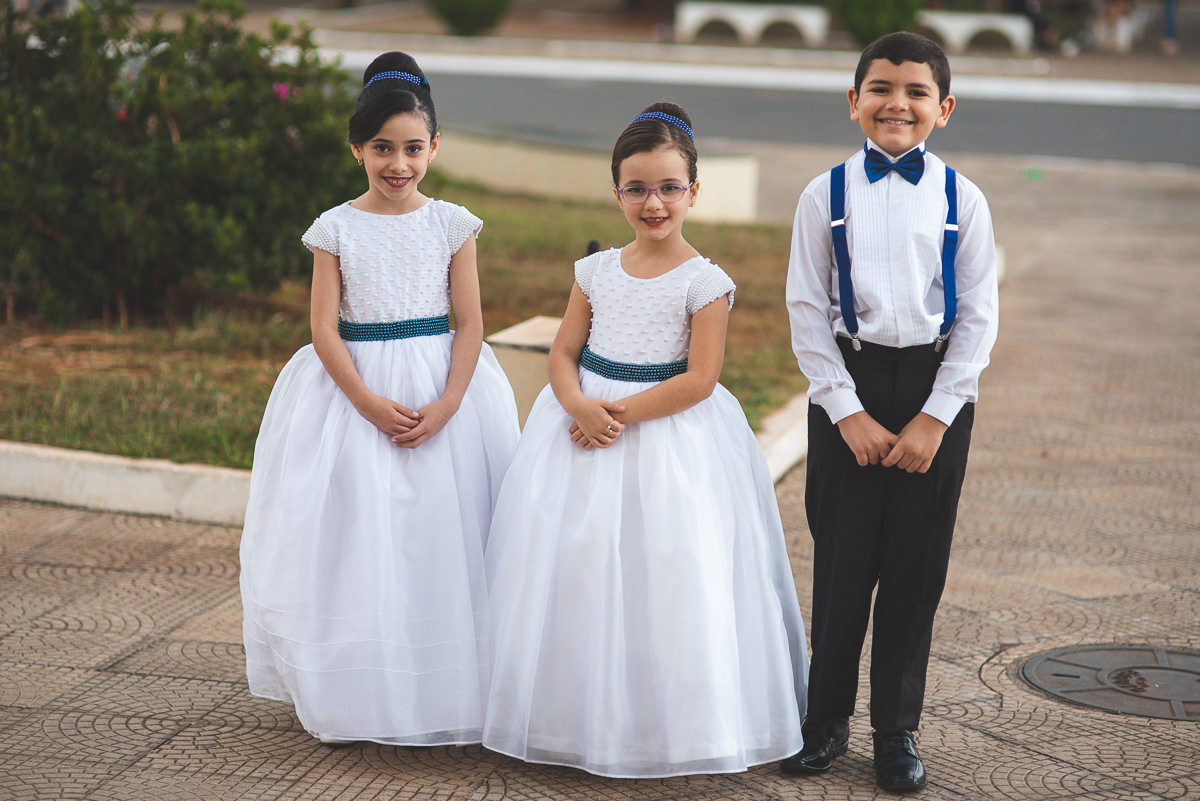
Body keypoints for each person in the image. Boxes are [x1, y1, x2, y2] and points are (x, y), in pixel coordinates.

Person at [481, 102, 809, 779]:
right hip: (580, 428)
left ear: (693, 191)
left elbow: (700, 379)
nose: (652, 202)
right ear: (616, 192)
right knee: (575, 568)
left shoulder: (705, 282)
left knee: (667, 573)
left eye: (668, 187)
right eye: (637, 187)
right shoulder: (595, 271)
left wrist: (619, 415)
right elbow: (564, 351)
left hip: (666, 437)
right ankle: (568, 715)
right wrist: (578, 405)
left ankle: (664, 724)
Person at [239, 51, 519, 746]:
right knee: (362, 539)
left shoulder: (454, 223)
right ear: (357, 147)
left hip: (441, 390)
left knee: (440, 539)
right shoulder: (335, 227)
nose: (399, 164)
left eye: (413, 148)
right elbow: (323, 328)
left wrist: (451, 401)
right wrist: (364, 401)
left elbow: (472, 322)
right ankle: (361, 686)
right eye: (383, 148)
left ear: (434, 147)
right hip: (353, 395)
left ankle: (449, 686)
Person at [782, 32, 999, 793]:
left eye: (914, 92)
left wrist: (937, 415)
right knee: (843, 565)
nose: (895, 103)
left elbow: (977, 316)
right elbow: (807, 310)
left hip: (935, 391)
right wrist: (845, 409)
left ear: (942, 109)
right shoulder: (824, 195)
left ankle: (895, 730)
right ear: (854, 101)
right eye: (880, 88)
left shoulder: (961, 199)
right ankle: (825, 721)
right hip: (851, 387)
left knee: (913, 570)